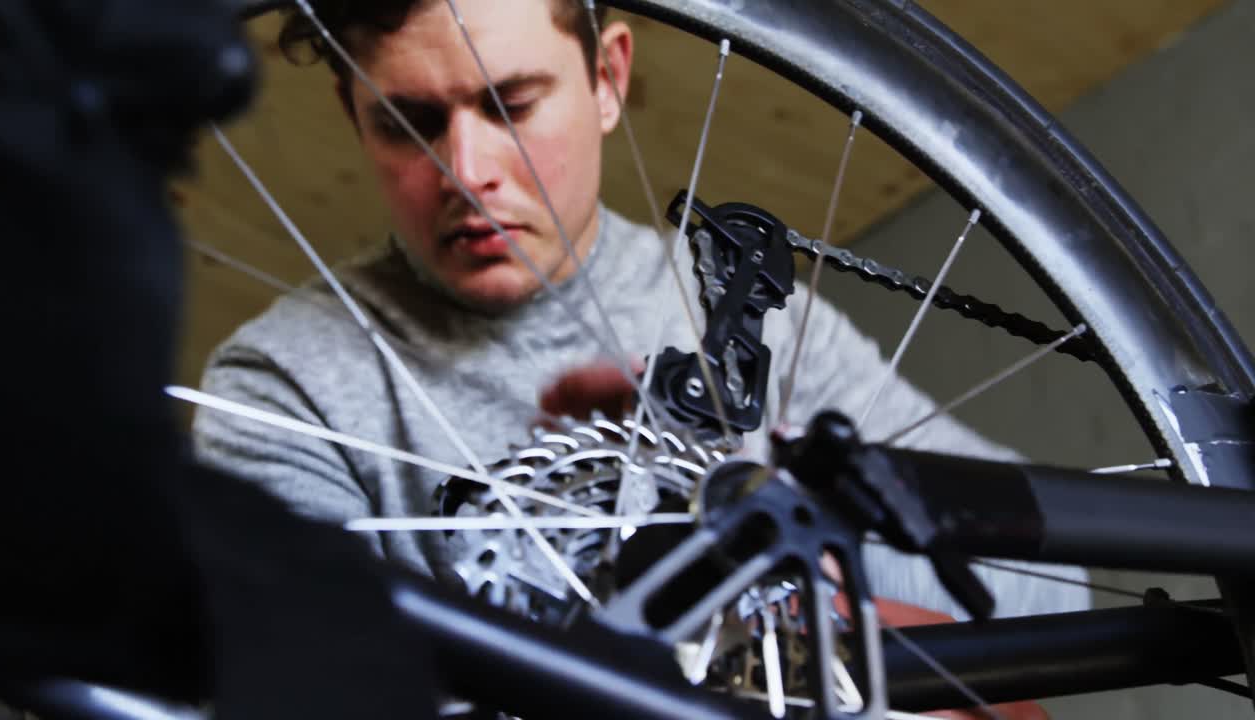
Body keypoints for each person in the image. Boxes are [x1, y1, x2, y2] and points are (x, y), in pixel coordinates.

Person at [194, 0, 1087, 631]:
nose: (466, 170)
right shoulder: (283, 387)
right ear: (352, 116)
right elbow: (299, 680)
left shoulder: (743, 312)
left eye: (511, 104)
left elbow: (1048, 582)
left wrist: (778, 531)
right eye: (407, 121)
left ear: (608, 77)